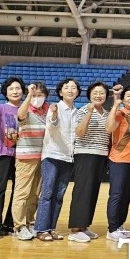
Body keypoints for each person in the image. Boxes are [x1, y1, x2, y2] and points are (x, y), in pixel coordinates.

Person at [34, 78, 79, 242]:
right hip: (52, 155)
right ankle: (41, 228)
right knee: (47, 193)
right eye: (66, 87)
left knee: (59, 195)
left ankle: (51, 227)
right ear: (60, 92)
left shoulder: (77, 112)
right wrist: (53, 115)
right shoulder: (55, 108)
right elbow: (52, 125)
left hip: (68, 157)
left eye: (73, 88)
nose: (70, 90)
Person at [68, 81, 111, 243]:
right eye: (95, 93)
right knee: (83, 190)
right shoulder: (83, 110)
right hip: (85, 154)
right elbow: (79, 132)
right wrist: (89, 113)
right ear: (89, 95)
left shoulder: (106, 113)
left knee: (93, 192)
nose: (98, 95)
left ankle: (84, 226)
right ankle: (75, 228)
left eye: (101, 93)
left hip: (101, 155)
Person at [0, 76, 26, 239]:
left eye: (17, 88)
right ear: (6, 93)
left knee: (18, 191)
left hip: (22, 156)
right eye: (11, 89)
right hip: (3, 153)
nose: (15, 91)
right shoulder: (1, 107)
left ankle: (10, 223)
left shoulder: (26, 109)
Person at [12, 82, 49, 241]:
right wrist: (29, 95)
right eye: (34, 95)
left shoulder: (47, 112)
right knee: (22, 193)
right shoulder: (26, 109)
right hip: (26, 157)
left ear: (46, 96)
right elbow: (20, 115)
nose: (37, 98)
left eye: (40, 95)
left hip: (43, 157)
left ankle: (29, 221)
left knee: (35, 194)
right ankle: (19, 226)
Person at [105, 85, 130, 241]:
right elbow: (109, 127)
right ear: (123, 99)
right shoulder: (119, 113)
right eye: (128, 96)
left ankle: (119, 225)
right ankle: (111, 229)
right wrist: (115, 105)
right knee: (117, 194)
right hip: (119, 159)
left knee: (127, 195)